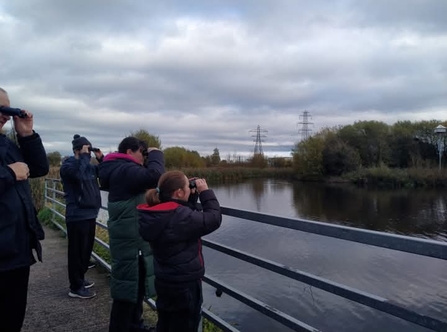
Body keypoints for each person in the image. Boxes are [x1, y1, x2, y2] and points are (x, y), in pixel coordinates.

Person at [138, 171, 222, 332]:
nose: (190, 189)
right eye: (187, 188)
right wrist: (205, 192)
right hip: (185, 284)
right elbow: (213, 218)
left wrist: (190, 197)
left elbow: (182, 216)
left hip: (164, 279)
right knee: (186, 325)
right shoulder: (179, 217)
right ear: (179, 192)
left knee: (167, 322)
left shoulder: (156, 211)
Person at [98, 136, 165, 332]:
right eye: (142, 153)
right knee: (127, 293)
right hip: (130, 243)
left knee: (131, 290)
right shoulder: (125, 169)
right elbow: (156, 176)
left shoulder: (117, 168)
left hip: (129, 240)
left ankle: (135, 326)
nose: (144, 157)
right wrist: (155, 154)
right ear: (129, 152)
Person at [0, 87, 49, 331]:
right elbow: (14, 173)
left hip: (16, 251)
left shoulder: (6, 144)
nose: (5, 115)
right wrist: (9, 173)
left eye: (7, 109)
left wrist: (27, 135)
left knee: (12, 320)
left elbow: (38, 169)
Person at [60, 134, 103, 299]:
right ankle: (75, 287)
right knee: (77, 253)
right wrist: (84, 157)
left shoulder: (89, 166)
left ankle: (81, 278)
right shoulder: (68, 166)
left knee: (86, 251)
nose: (89, 153)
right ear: (77, 150)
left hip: (90, 213)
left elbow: (103, 173)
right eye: (86, 149)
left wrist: (102, 159)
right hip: (77, 215)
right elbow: (79, 174)